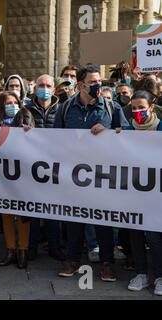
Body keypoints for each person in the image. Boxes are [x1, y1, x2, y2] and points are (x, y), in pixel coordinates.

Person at [54, 64, 129, 282]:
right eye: (93, 82)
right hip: (73, 175)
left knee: (103, 220)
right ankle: (73, 260)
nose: (97, 85)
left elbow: (127, 136)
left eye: (99, 82)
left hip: (101, 175)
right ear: (80, 85)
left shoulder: (111, 108)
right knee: (74, 219)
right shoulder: (66, 108)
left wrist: (111, 132)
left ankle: (107, 263)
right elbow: (53, 138)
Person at [116, 90, 162, 296]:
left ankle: (159, 276)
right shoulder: (126, 131)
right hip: (135, 191)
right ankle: (141, 273)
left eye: (142, 107)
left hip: (156, 193)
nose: (137, 112)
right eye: (134, 108)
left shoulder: (160, 128)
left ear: (151, 107)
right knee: (135, 231)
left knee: (154, 235)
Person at [0, 91, 30, 268]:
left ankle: (23, 251)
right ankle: (11, 250)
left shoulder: (26, 115)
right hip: (2, 174)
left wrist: (29, 132)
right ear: (1, 106)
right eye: (7, 103)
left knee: (23, 213)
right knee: (6, 212)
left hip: (23, 174)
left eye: (14, 102)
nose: (11, 105)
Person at [24, 75, 65, 262]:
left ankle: (54, 247)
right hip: (32, 167)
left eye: (48, 85)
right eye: (41, 85)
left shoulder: (63, 109)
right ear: (35, 88)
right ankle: (30, 248)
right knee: (32, 210)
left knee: (53, 210)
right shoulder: (26, 110)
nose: (45, 88)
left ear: (54, 90)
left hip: (56, 167)